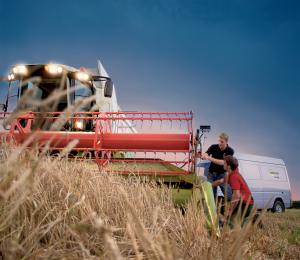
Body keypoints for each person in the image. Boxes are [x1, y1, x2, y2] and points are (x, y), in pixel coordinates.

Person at [213, 155, 254, 225]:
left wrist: (230, 210)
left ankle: (252, 220)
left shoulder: (234, 177)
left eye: (225, 163)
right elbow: (220, 181)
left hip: (245, 203)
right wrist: (207, 185)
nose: (223, 164)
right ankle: (247, 221)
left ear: (228, 166)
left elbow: (236, 196)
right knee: (230, 220)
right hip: (243, 201)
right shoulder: (232, 173)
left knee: (231, 224)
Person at [201, 132, 234, 199]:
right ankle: (213, 209)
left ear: (226, 142)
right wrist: (205, 155)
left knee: (228, 194)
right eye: (219, 141)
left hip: (222, 175)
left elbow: (223, 162)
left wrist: (209, 158)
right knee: (211, 195)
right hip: (211, 174)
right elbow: (206, 153)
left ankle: (231, 207)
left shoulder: (230, 151)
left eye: (222, 142)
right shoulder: (213, 147)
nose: (220, 143)